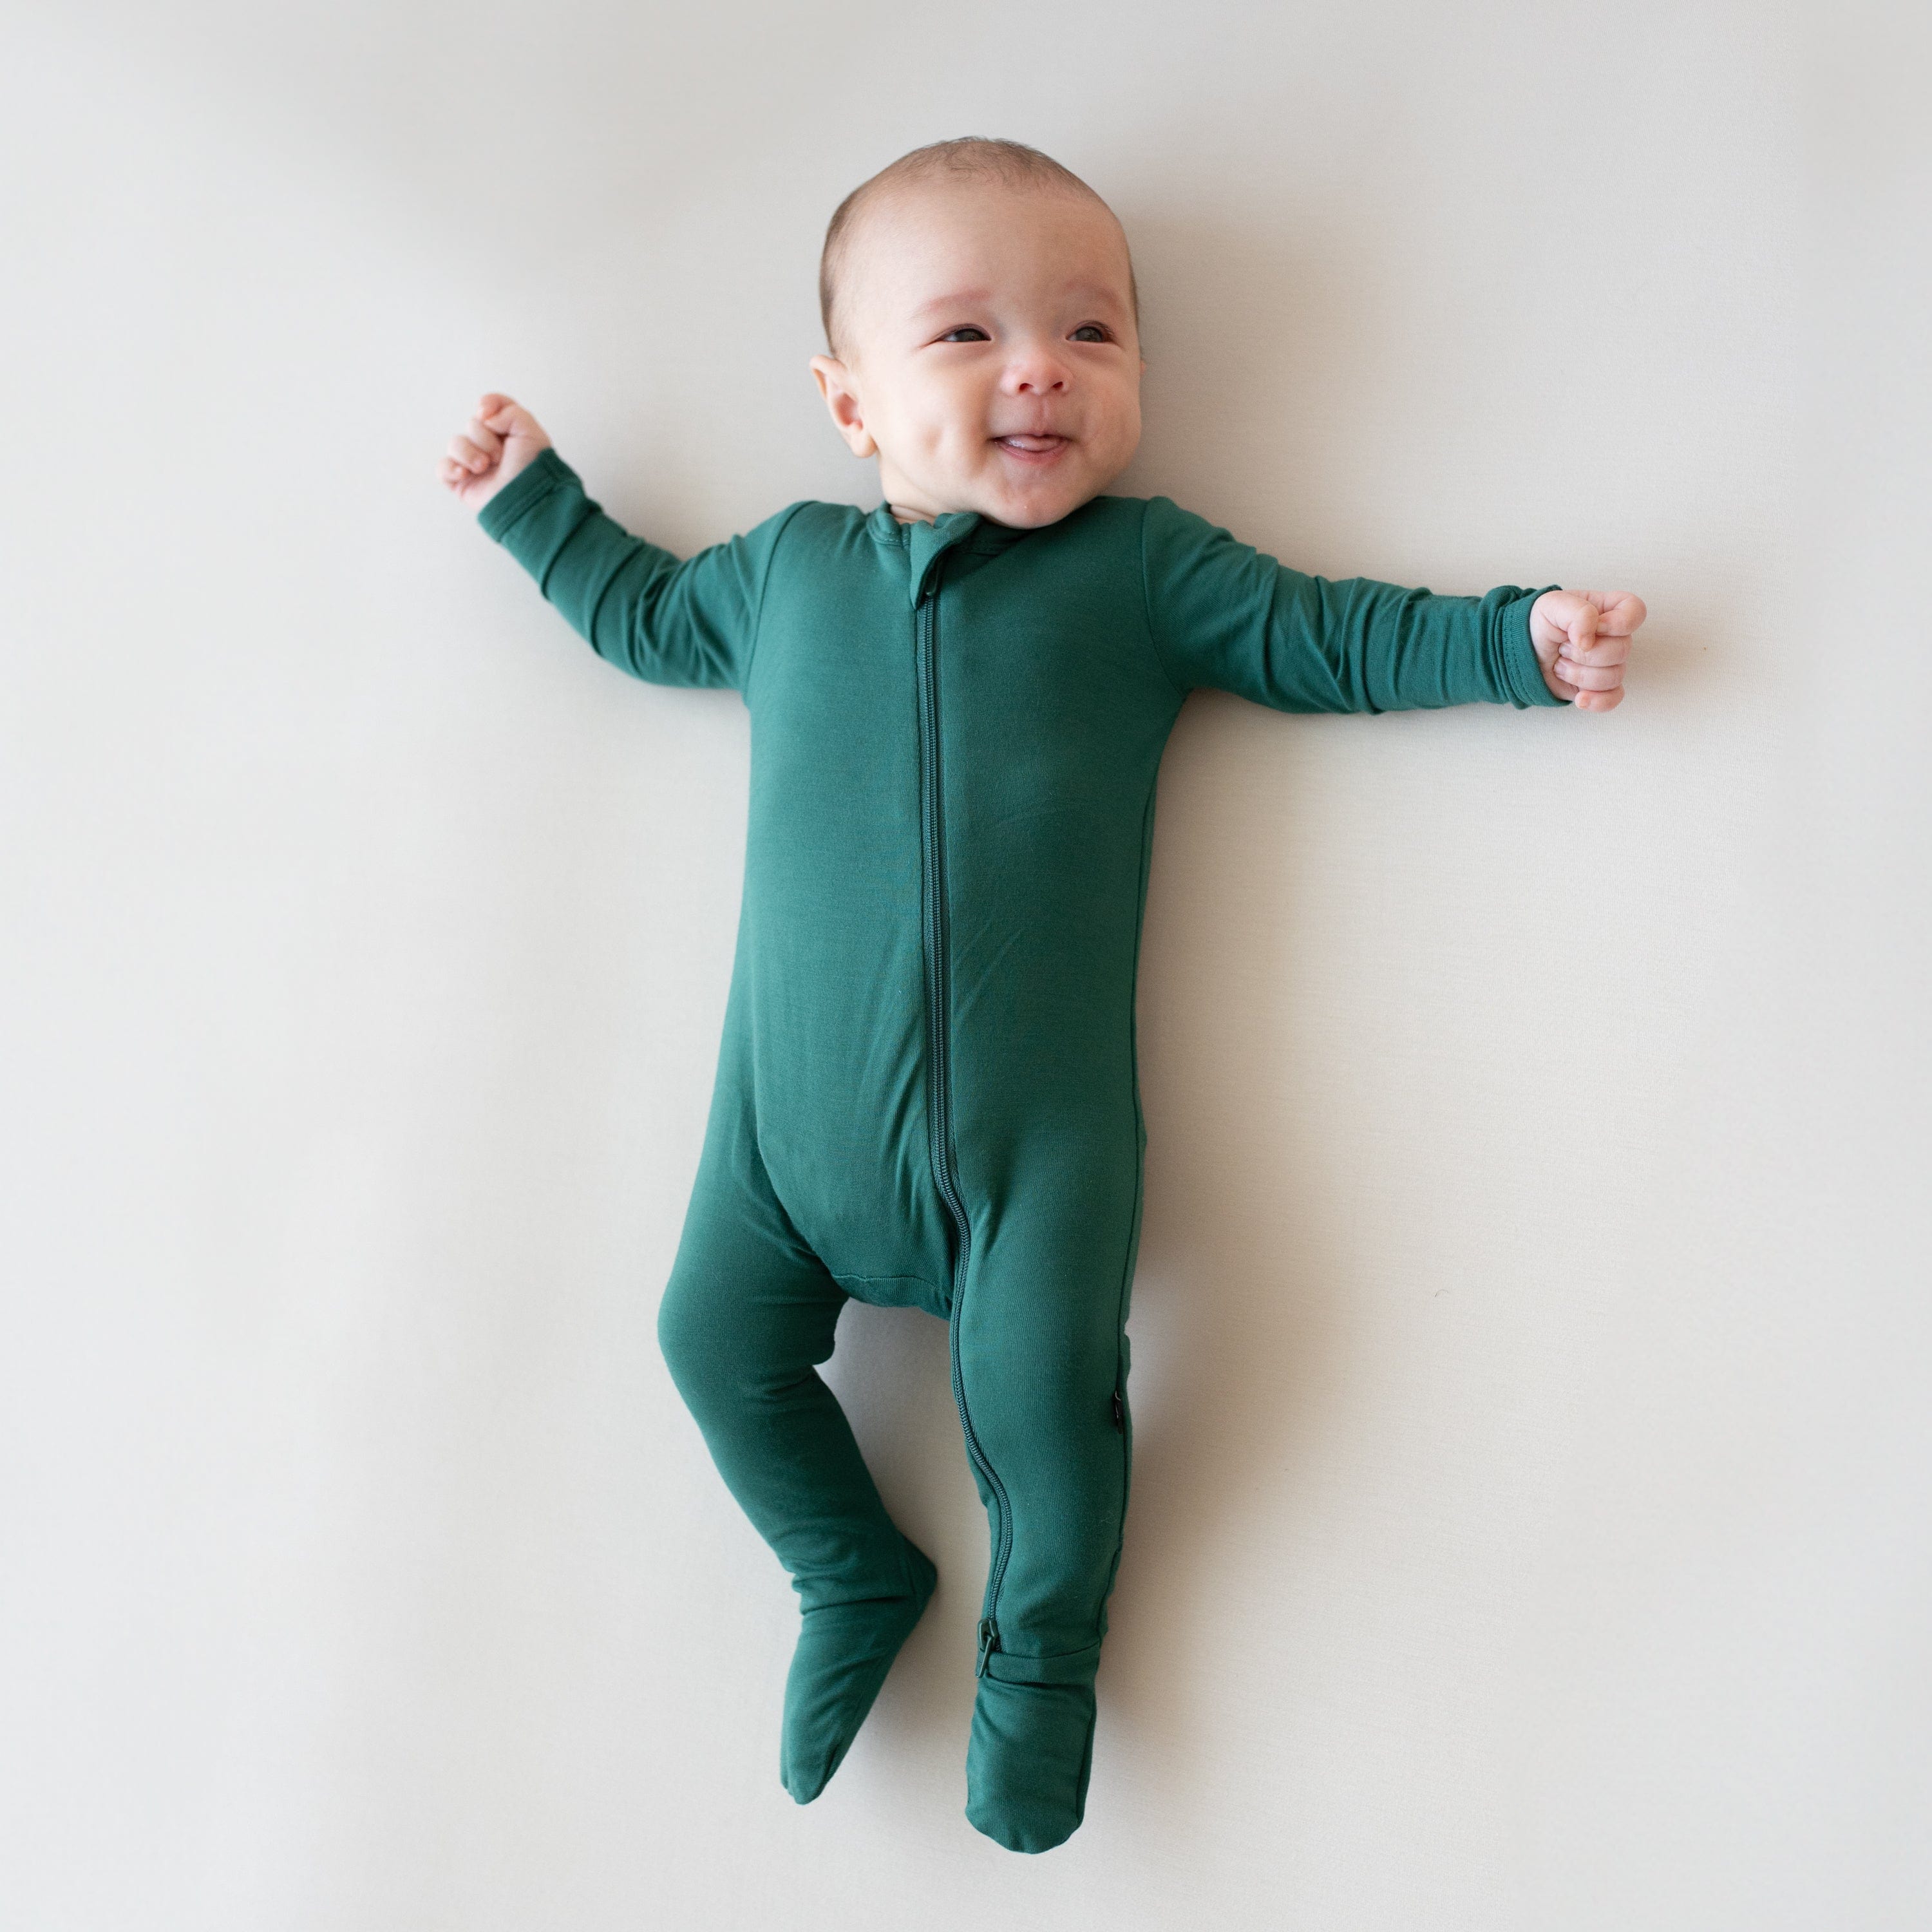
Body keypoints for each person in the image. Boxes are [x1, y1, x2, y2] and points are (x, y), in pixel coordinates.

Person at [437, 136, 1643, 1854]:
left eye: (1093, 333)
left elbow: (1331, 634)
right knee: (707, 1343)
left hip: (1037, 1157)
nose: (1040, 369)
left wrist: (1517, 641)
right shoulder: (782, 577)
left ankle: (1042, 1662)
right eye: (965, 336)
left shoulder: (1141, 574)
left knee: (1045, 1411)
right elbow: (639, 614)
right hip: (776, 1147)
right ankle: (850, 1568)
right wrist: (532, 506)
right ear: (847, 403)